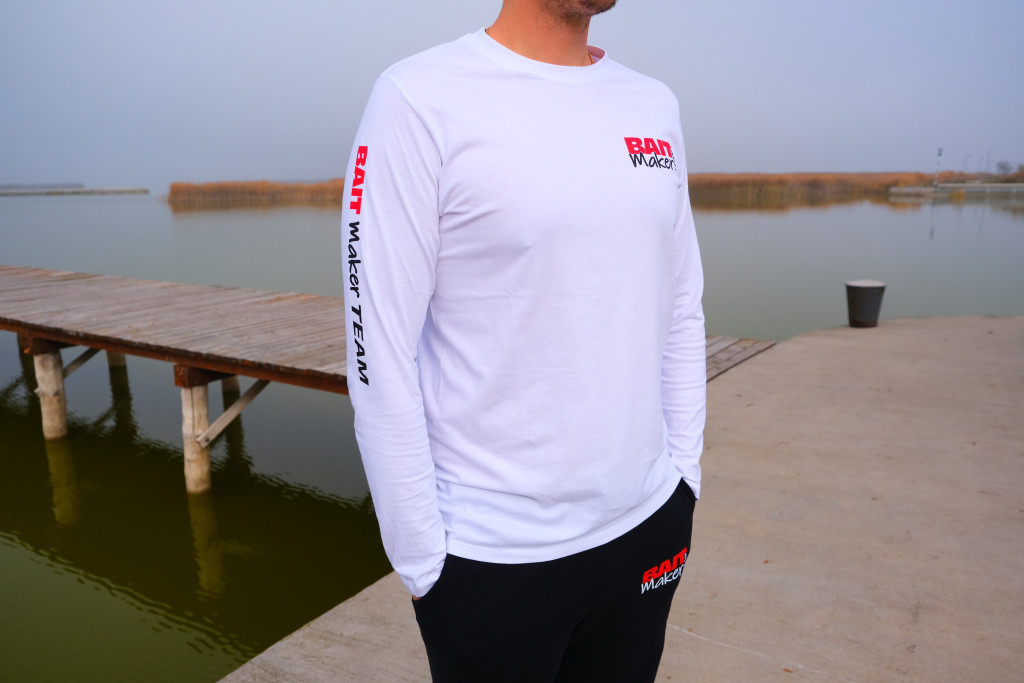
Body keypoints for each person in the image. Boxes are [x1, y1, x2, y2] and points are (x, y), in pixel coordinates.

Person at [341, 0, 705, 680]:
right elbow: (377, 352)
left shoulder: (653, 105)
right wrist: (425, 566)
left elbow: (682, 303)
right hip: (493, 558)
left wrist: (684, 478)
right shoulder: (417, 100)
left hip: (647, 526)